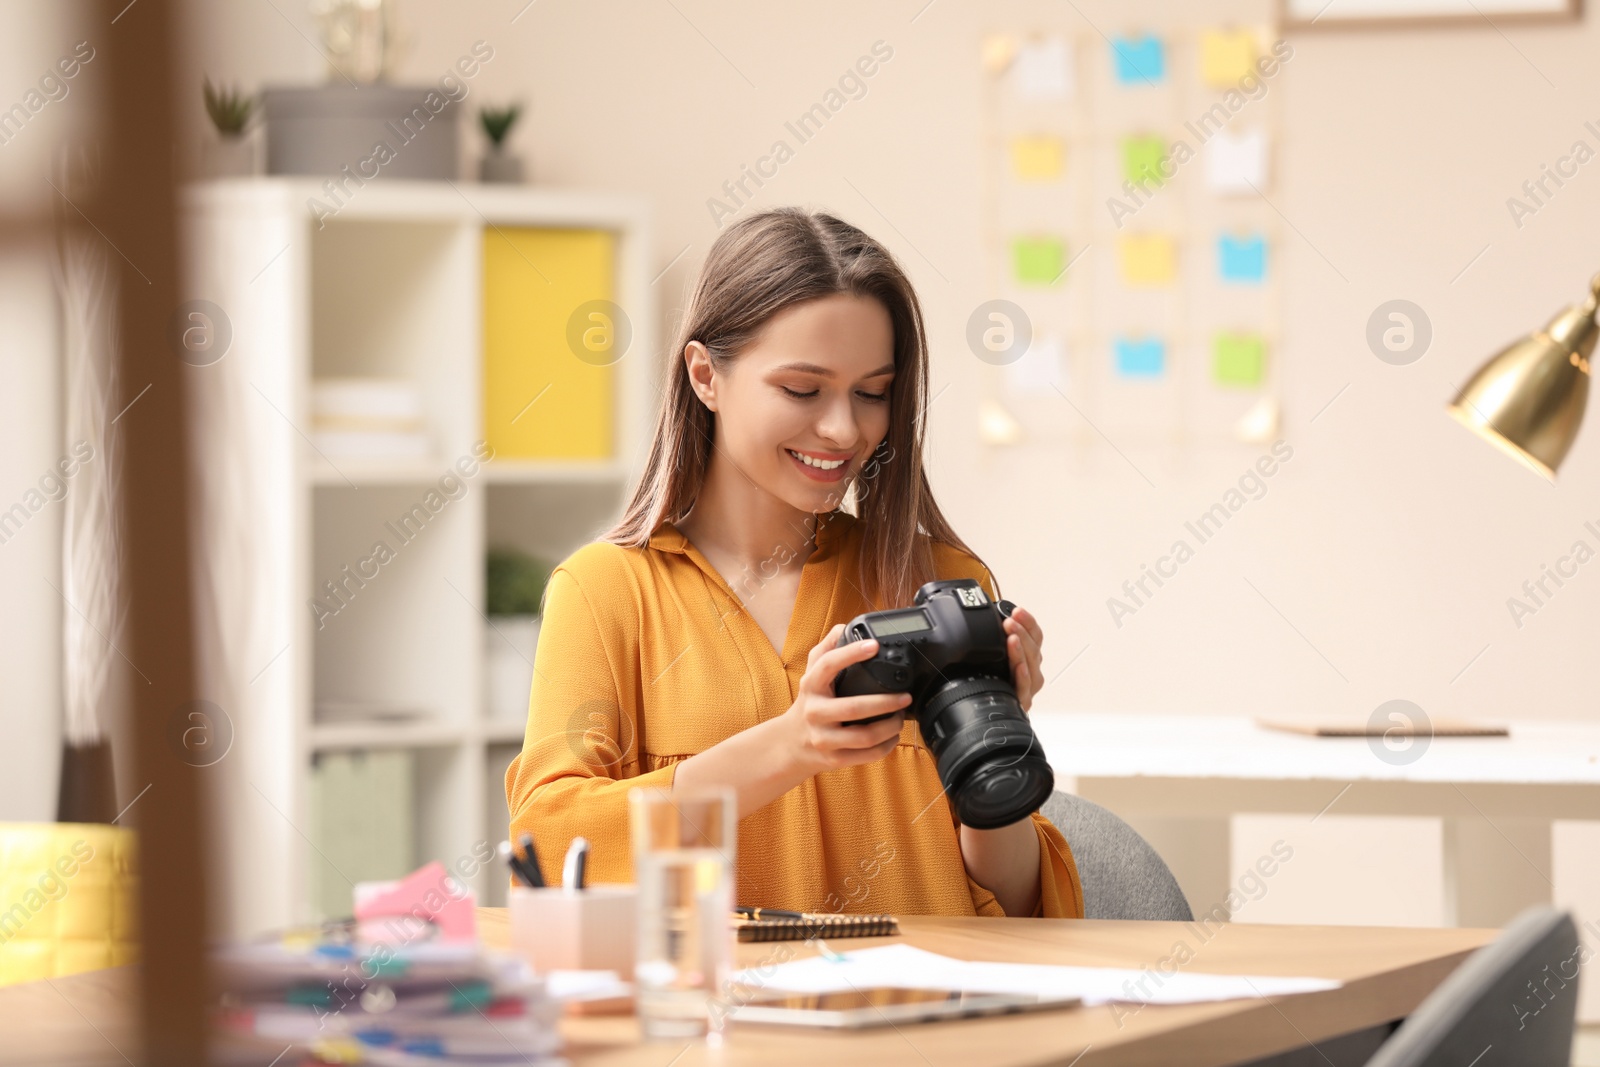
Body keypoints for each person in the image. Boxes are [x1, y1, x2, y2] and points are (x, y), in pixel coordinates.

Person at [504, 207, 1082, 918]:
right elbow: (552, 844)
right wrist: (790, 745)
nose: (844, 429)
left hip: (930, 1013)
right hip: (714, 1024)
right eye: (802, 390)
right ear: (705, 376)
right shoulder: (606, 595)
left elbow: (1024, 910)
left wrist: (994, 756)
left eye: (873, 393)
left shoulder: (940, 582)